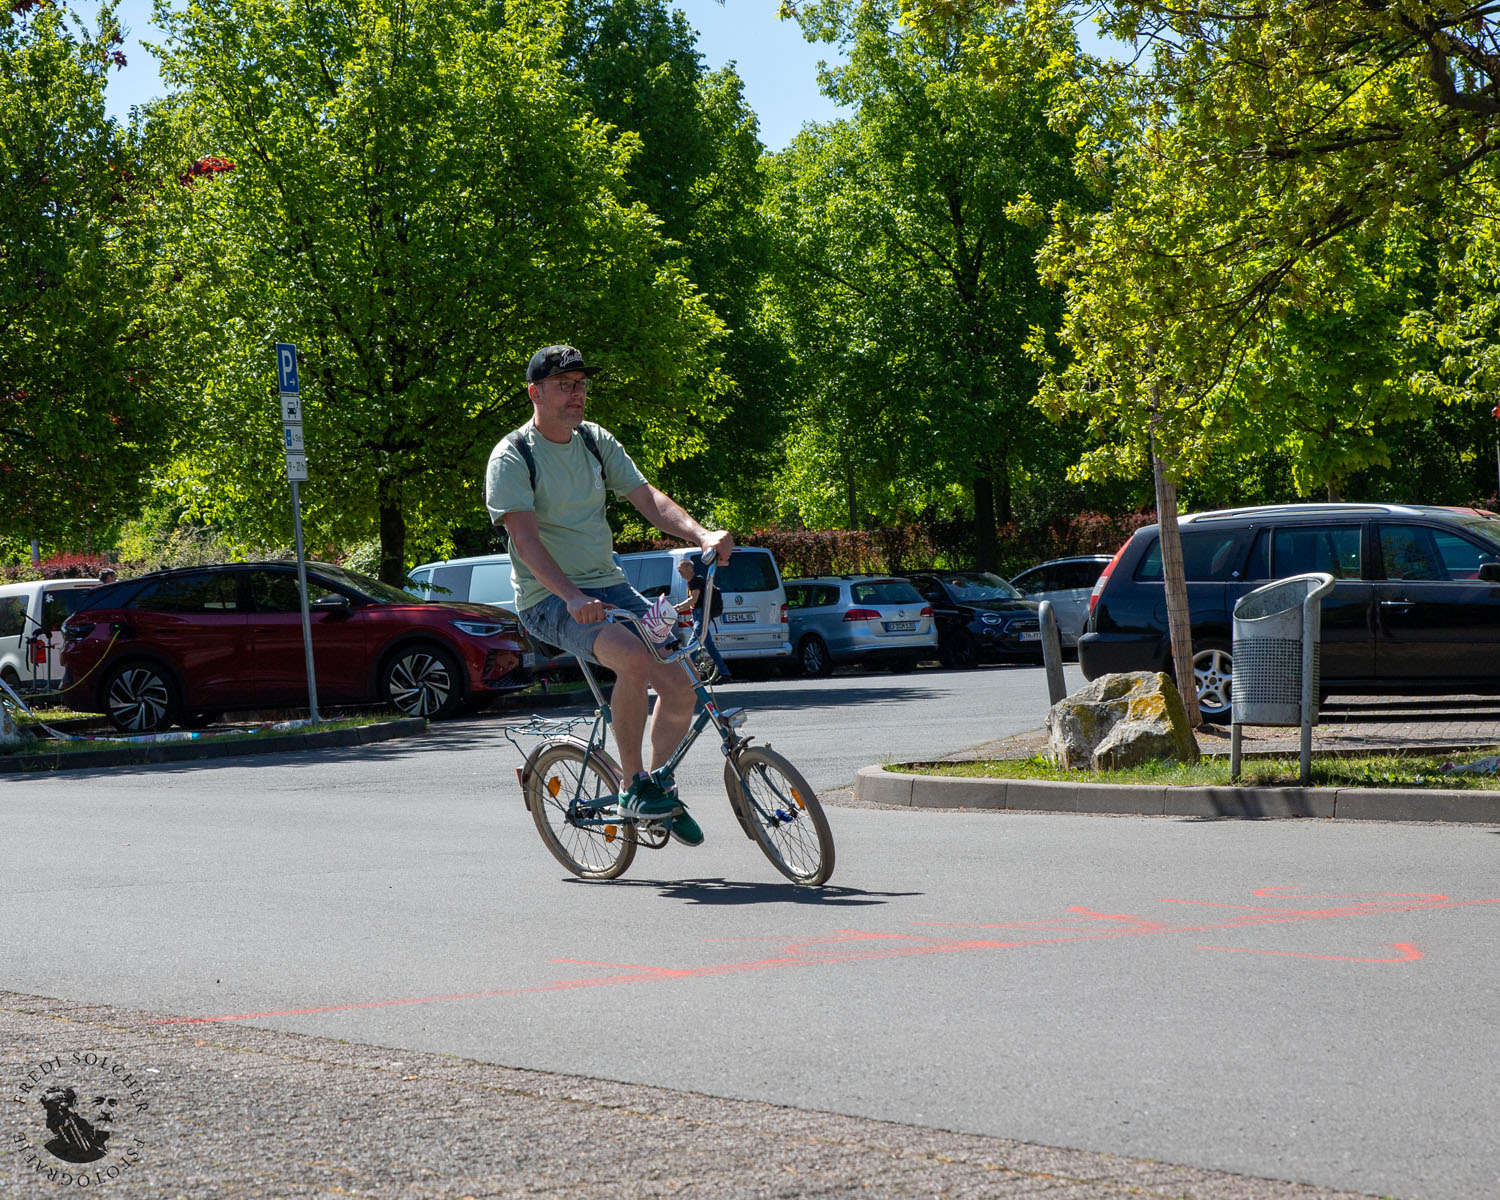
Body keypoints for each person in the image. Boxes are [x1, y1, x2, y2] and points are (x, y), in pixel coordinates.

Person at [485, 345, 733, 847]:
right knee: (632, 656)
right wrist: (573, 596)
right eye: (563, 385)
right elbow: (526, 542)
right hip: (548, 597)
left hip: (609, 584)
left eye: (580, 384)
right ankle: (631, 786)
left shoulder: (595, 442)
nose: (576, 395)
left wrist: (701, 534)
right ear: (535, 392)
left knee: (682, 683)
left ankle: (657, 788)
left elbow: (649, 500)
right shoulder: (513, 455)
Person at [676, 556, 731, 683]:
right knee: (709, 647)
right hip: (698, 613)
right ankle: (725, 673)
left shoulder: (696, 581)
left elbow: (693, 600)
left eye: (680, 569)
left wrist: (676, 607)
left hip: (701, 614)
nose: (679, 572)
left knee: (693, 643)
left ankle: (685, 673)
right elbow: (693, 602)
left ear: (689, 567)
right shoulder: (692, 582)